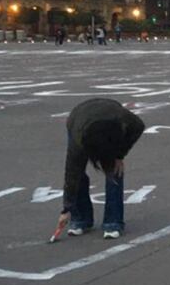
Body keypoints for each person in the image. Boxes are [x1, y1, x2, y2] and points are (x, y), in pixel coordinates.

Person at [55, 98, 145, 240]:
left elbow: (138, 127)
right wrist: (67, 209)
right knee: (77, 172)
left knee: (115, 169)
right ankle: (80, 218)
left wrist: (120, 155)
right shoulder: (78, 141)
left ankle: (113, 222)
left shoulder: (121, 118)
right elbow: (71, 173)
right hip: (78, 118)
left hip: (108, 118)